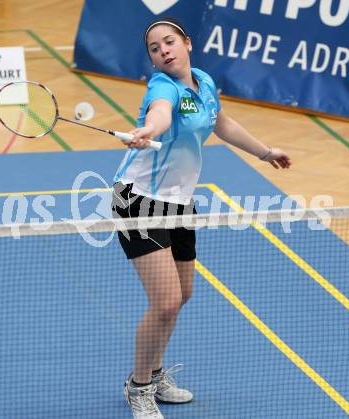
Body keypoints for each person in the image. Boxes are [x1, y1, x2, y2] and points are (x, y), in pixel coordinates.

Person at [112, 17, 291, 419]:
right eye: (155, 49)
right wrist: (148, 128)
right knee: (166, 300)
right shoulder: (162, 87)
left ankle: (154, 376)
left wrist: (265, 152)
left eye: (169, 42)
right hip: (139, 200)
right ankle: (138, 387)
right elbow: (161, 113)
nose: (163, 51)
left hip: (179, 201)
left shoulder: (204, 82)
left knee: (181, 297)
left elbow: (220, 122)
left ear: (187, 42)